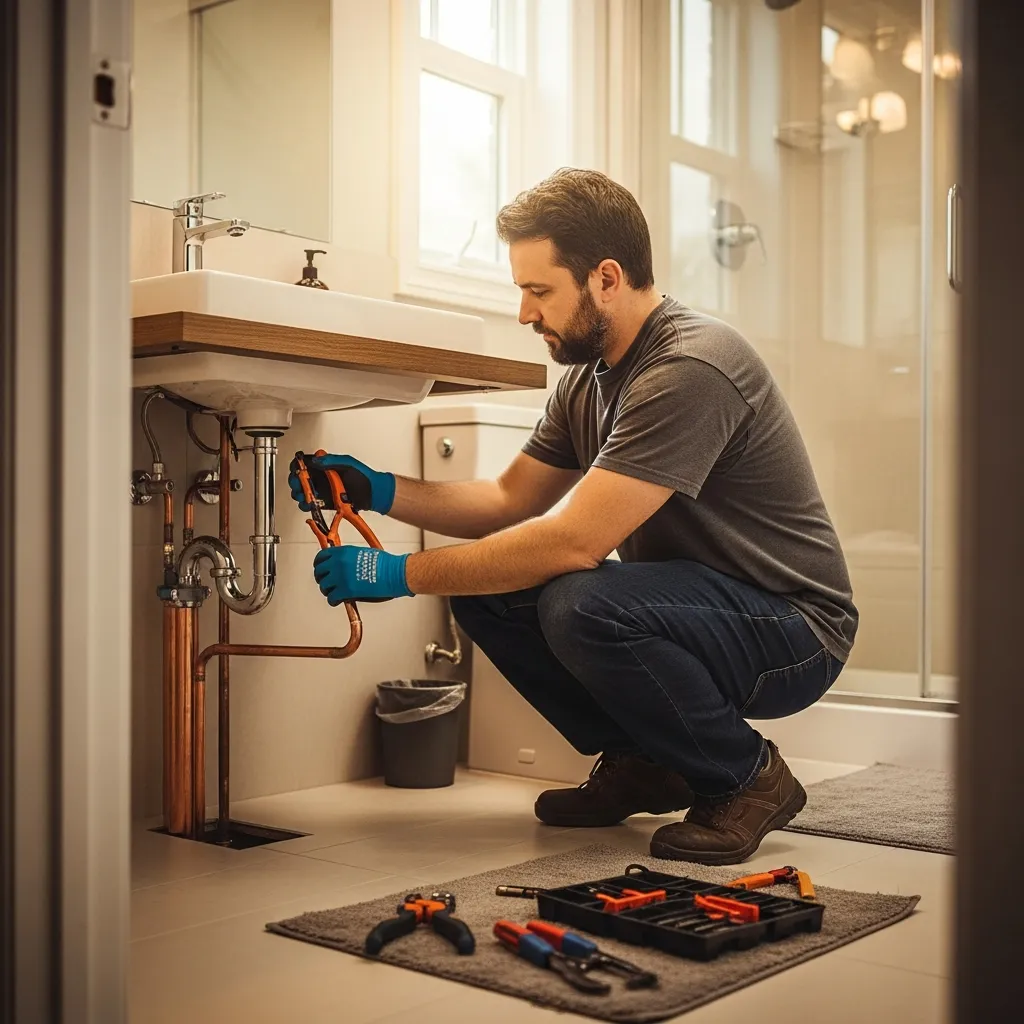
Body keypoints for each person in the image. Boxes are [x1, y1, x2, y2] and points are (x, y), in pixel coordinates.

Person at [288, 168, 858, 865]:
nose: (525, 313)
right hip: (701, 609)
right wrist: (377, 489)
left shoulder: (691, 366)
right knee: (489, 595)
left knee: (580, 601)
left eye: (539, 291)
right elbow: (507, 501)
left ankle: (747, 777)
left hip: (795, 630)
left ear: (605, 278)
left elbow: (573, 542)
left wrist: (397, 572)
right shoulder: (586, 381)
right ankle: (648, 761)